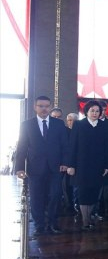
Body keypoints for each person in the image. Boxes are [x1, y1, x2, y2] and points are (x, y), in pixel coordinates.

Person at [14, 96, 68, 235]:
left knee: (55, 195)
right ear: (35, 107)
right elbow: (22, 147)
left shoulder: (59, 124)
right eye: (40, 106)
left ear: (50, 107)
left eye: (46, 106)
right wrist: (19, 168)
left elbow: (65, 145)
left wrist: (65, 162)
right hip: (35, 168)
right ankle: (39, 225)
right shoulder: (27, 125)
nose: (44, 109)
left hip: (55, 167)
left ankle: (52, 223)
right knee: (37, 197)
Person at [65, 101, 108, 231]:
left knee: (94, 193)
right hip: (81, 165)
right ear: (86, 112)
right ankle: (85, 220)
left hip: (98, 165)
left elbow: (107, 147)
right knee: (83, 193)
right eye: (92, 111)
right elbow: (72, 146)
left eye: (97, 111)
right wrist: (71, 165)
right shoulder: (79, 124)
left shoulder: (103, 126)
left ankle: (90, 216)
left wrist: (107, 165)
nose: (95, 113)